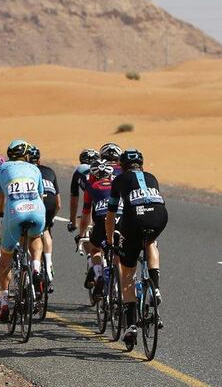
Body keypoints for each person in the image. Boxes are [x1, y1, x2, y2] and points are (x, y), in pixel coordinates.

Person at [105, 148, 168, 346]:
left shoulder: (119, 180)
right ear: (142, 164)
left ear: (122, 166)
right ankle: (155, 287)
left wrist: (109, 241)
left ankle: (131, 324)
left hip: (134, 220)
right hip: (159, 216)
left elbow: (111, 215)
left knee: (128, 272)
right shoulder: (151, 176)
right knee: (150, 242)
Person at [0, 140, 45, 322]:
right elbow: (41, 196)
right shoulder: (35, 169)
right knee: (35, 238)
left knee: (6, 259)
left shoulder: (2, 169)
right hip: (36, 211)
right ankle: (36, 267)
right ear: (26, 155)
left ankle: (4, 303)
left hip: (14, 214)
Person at [79, 159, 118, 299]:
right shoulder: (116, 184)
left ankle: (99, 274)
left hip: (102, 219)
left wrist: (81, 234)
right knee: (118, 250)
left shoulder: (92, 187)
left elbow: (85, 215)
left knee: (95, 249)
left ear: (93, 175)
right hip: (120, 218)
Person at [29, 145, 60, 292]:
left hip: (36, 202)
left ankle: (32, 264)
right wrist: (52, 218)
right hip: (51, 203)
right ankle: (48, 264)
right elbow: (59, 203)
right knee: (46, 229)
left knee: (29, 234)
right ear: (39, 159)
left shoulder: (27, 171)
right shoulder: (50, 170)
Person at [68, 148, 98, 236]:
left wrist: (73, 222)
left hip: (91, 198)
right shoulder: (105, 170)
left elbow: (74, 201)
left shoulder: (79, 169)